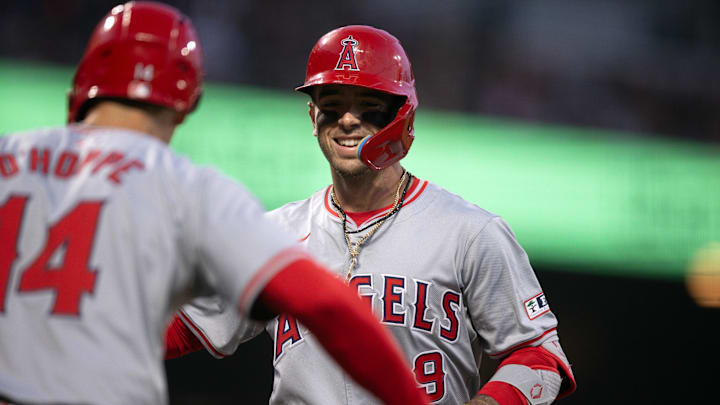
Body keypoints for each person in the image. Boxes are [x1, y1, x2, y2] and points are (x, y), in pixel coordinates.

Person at [0, 7, 429, 405]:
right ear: (187, 101)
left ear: (84, 81)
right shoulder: (188, 189)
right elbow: (327, 306)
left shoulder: (8, 157)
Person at [166, 25, 577, 405]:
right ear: (313, 118)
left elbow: (539, 355)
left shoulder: (469, 232)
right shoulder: (274, 233)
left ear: (403, 115)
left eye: (368, 106)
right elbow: (182, 326)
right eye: (331, 105)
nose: (347, 119)